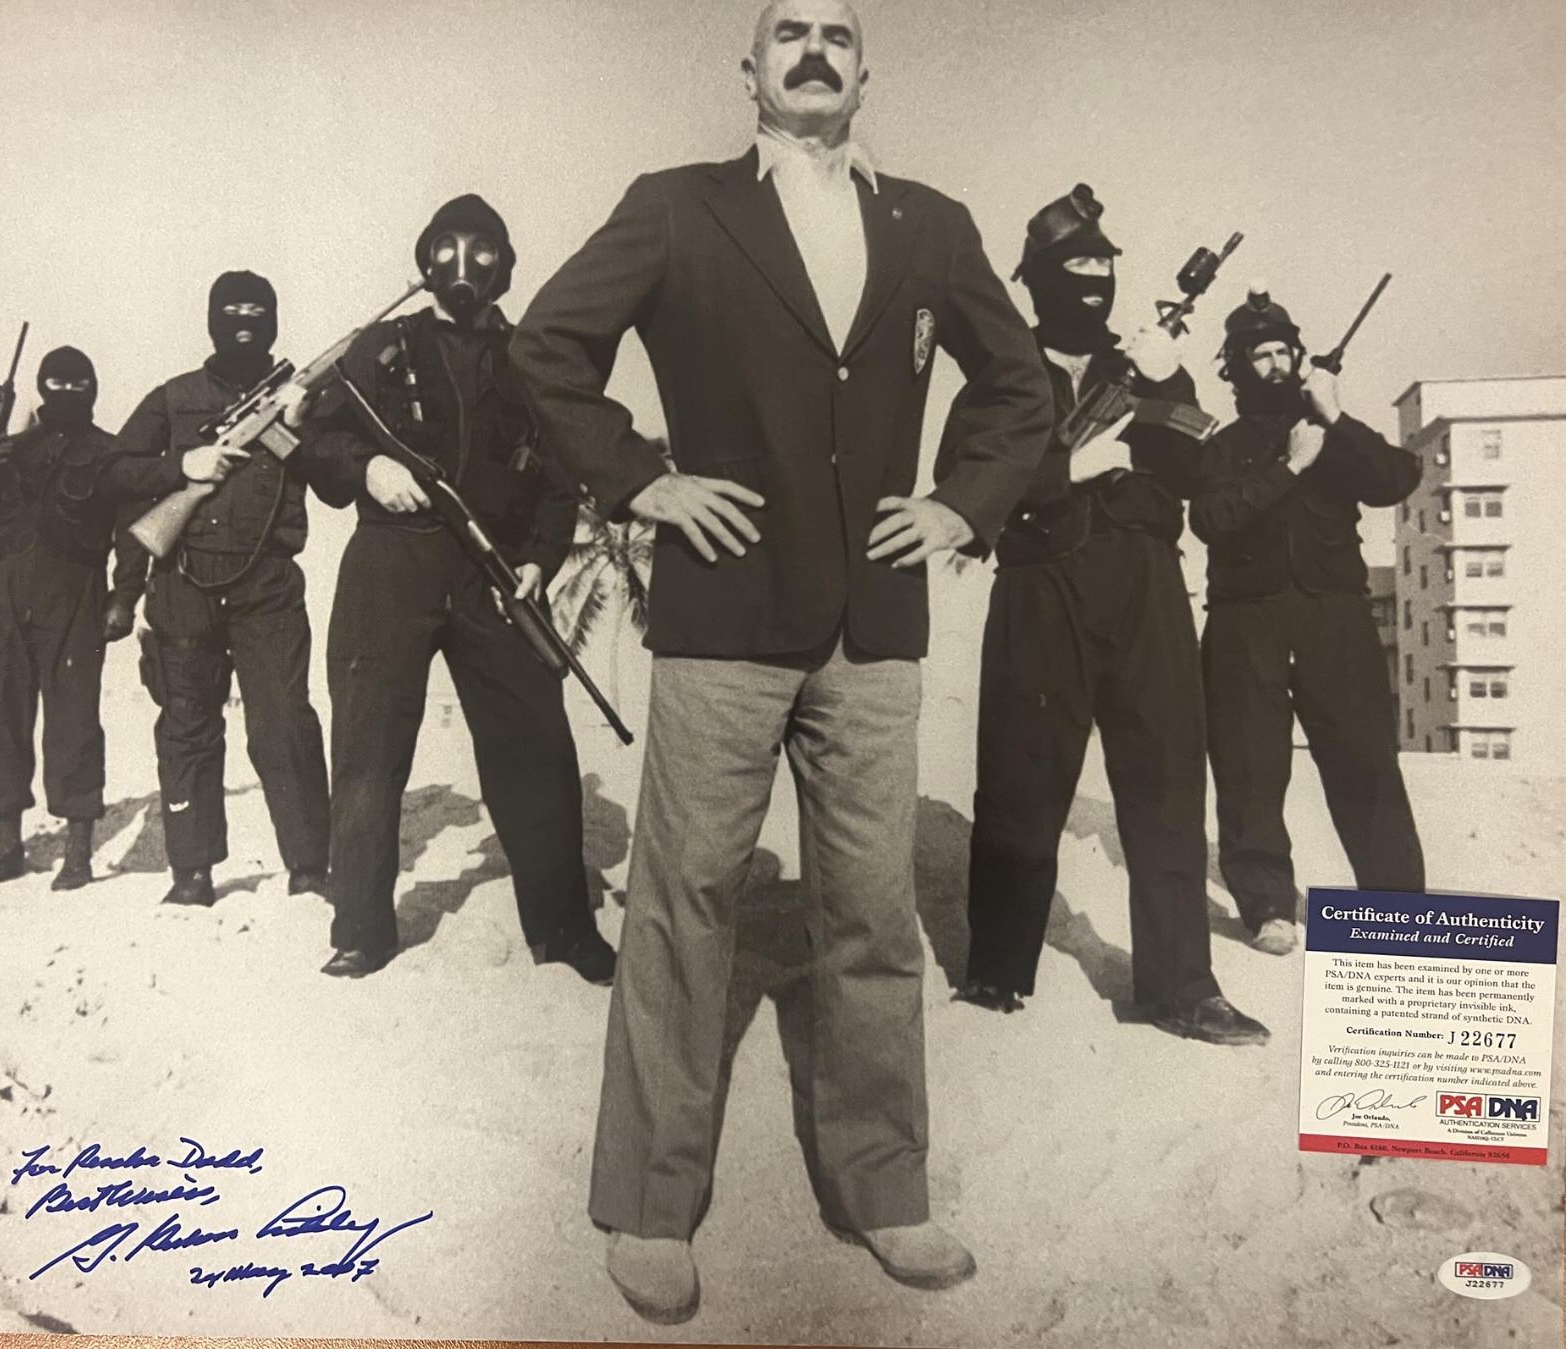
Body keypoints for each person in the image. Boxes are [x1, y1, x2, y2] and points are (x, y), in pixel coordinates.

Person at [510, 0, 1053, 1324]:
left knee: (870, 911)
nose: (815, 51)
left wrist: (963, 504)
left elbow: (1021, 386)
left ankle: (885, 1188)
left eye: (839, 35)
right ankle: (650, 1204)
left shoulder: (931, 224)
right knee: (683, 904)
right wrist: (640, 479)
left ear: (867, 70)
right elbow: (547, 348)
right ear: (748, 69)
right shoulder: (676, 207)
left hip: (874, 633)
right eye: (789, 31)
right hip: (723, 621)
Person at [960, 186, 1270, 1047]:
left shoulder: (1143, 360)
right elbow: (965, 484)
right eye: (1076, 264)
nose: (1094, 278)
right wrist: (1068, 469)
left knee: (1168, 783)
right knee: (1021, 779)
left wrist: (1167, 375)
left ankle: (1182, 986)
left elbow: (1205, 474)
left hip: (1146, 583)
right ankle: (997, 968)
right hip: (1039, 585)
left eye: (1104, 263)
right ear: (1037, 279)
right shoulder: (1000, 371)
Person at [290, 194, 617, 985]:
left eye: (483, 248)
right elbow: (315, 437)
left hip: (495, 575)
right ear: (425, 258)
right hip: (389, 566)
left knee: (536, 746)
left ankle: (563, 928)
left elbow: (561, 475)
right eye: (447, 245)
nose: (464, 262)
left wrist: (540, 559)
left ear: (505, 266)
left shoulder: (530, 357)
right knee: (368, 748)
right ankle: (362, 931)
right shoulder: (379, 347)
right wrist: (368, 466)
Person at [1188, 286, 1425, 955]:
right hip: (1245, 618)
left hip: (1335, 615)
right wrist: (1291, 466)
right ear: (1236, 367)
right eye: (1257, 355)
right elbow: (1211, 519)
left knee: (1364, 759)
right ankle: (1268, 906)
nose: (1274, 365)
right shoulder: (1221, 445)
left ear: (1299, 357)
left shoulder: (1331, 430)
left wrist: (1337, 417)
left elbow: (1395, 480)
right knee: (1249, 765)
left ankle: (1397, 910)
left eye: (1281, 352)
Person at [111, 271, 331, 908]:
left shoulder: (299, 395)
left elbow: (336, 478)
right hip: (184, 585)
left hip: (268, 585)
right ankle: (192, 872)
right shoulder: (173, 398)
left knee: (284, 724)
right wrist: (183, 465)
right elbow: (114, 473)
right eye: (231, 311)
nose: (244, 323)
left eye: (258, 312)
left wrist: (301, 425)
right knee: (187, 727)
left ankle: (310, 866)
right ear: (210, 320)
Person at [0, 346, 186, 890]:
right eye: (57, 383)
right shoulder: (6, 451)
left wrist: (124, 598)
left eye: (79, 384)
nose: (68, 393)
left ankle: (78, 855)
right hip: (0, 596)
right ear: (40, 386)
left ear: (93, 388)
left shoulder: (110, 454)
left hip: (75, 595)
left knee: (74, 724)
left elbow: (132, 533)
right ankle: (7, 849)